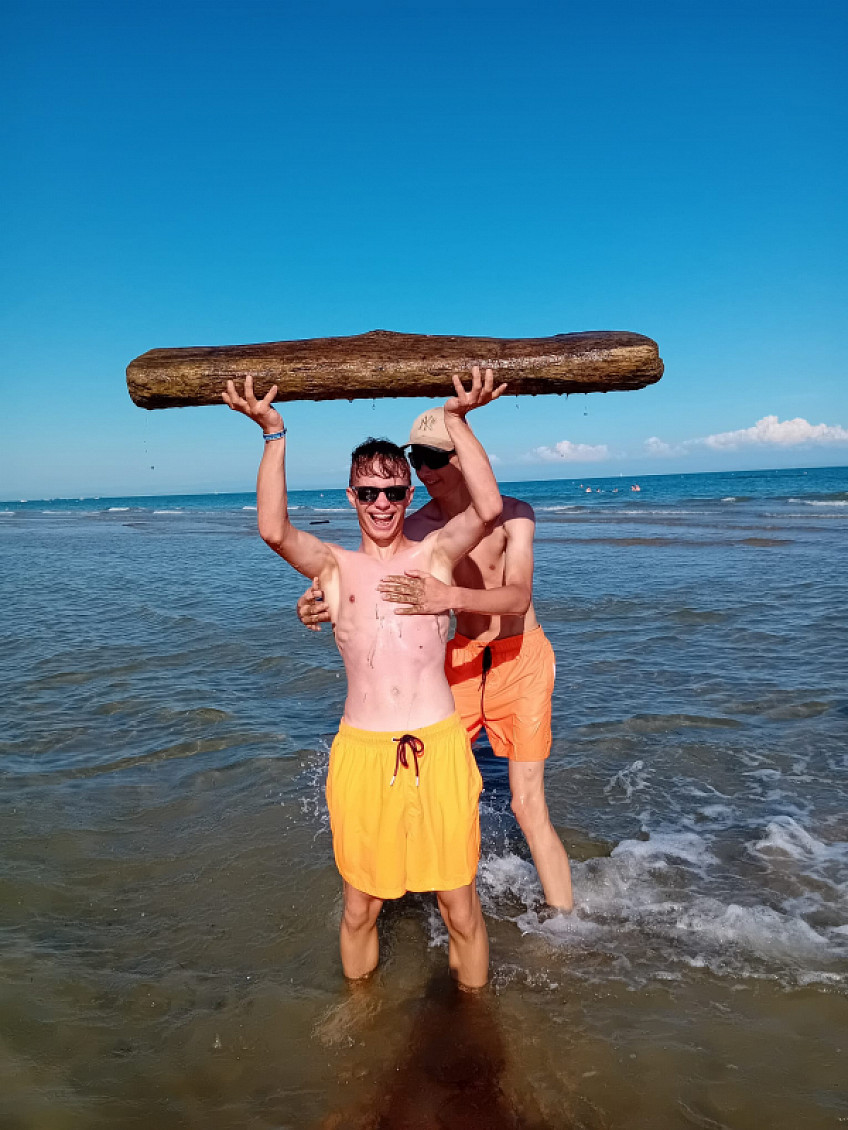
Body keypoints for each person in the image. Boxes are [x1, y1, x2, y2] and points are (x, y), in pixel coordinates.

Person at [223, 369, 505, 989]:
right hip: (363, 752)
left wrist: (458, 421)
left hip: (438, 745)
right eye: (370, 492)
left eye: (394, 492)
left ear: (408, 495)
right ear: (351, 497)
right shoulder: (333, 567)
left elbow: (488, 508)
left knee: (460, 909)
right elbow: (273, 529)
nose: (382, 504)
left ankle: (475, 1021)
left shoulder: (434, 556)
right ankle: (362, 1017)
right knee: (359, 909)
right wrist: (273, 433)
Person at [299, 407, 574, 911]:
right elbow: (363, 580)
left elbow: (518, 598)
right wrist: (317, 601)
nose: (424, 471)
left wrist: (449, 597)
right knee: (424, 781)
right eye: (417, 460)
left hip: (520, 658)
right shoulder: (416, 526)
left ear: (463, 454)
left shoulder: (515, 515)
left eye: (435, 457)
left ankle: (565, 928)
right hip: (459, 659)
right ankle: (414, 890)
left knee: (526, 803)